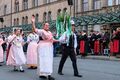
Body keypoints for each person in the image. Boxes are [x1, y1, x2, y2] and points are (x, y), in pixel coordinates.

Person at [31, 15, 59, 80]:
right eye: (46, 25)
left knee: (48, 60)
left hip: (49, 48)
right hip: (43, 48)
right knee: (43, 60)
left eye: (48, 25)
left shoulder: (49, 32)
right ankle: (44, 74)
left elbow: (53, 39)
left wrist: (60, 40)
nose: (47, 26)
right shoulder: (42, 31)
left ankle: (47, 74)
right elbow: (35, 30)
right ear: (43, 26)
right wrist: (33, 22)